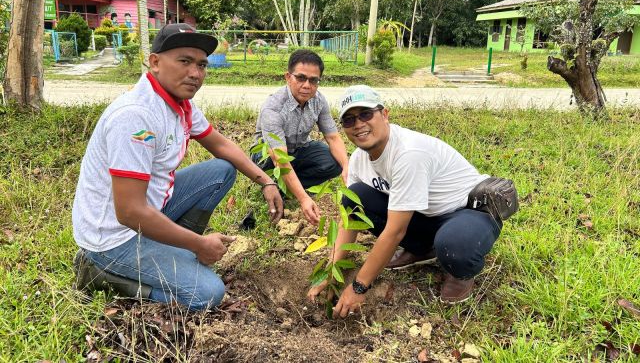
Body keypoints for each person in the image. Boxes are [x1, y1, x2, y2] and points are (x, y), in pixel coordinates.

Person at [72, 23, 283, 310]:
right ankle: (98, 274)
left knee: (221, 171)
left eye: (201, 64)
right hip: (114, 238)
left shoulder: (178, 103)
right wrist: (198, 243)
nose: (195, 73)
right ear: (155, 62)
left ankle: (170, 248)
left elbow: (220, 145)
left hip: (150, 209)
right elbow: (129, 212)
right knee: (208, 294)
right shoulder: (136, 117)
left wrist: (266, 181)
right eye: (184, 61)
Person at [308, 85, 517, 317]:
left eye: (366, 114)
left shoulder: (409, 154)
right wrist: (332, 270)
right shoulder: (359, 159)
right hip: (425, 215)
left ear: (385, 114)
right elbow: (350, 218)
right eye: (349, 120)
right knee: (353, 196)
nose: (358, 124)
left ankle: (461, 273)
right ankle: (423, 249)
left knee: (455, 247)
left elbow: (395, 231)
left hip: (467, 212)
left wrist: (359, 286)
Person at [252, 49, 349, 225]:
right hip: (268, 155)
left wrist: (347, 168)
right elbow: (279, 158)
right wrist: (304, 199)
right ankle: (273, 184)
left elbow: (333, 137)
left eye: (313, 80)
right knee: (267, 162)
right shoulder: (273, 107)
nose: (307, 85)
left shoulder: (319, 100)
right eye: (301, 78)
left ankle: (286, 187)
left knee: (334, 162)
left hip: (300, 149)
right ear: (288, 77)